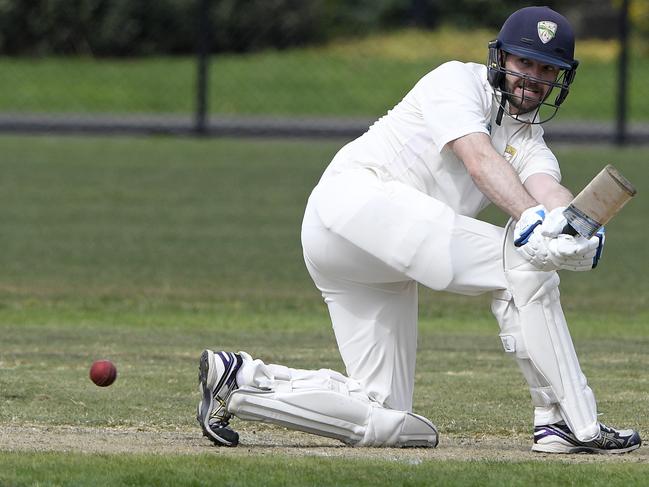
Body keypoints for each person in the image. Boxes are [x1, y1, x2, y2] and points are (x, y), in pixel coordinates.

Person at [196, 6, 642, 454]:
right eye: (525, 62)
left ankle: (240, 381)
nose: (534, 77)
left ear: (561, 78)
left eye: (548, 69)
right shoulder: (455, 81)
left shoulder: (528, 138)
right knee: (525, 261)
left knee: (394, 421)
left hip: (378, 262)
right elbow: (479, 159)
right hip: (355, 204)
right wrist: (532, 223)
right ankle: (566, 420)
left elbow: (547, 189)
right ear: (501, 59)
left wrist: (579, 229)